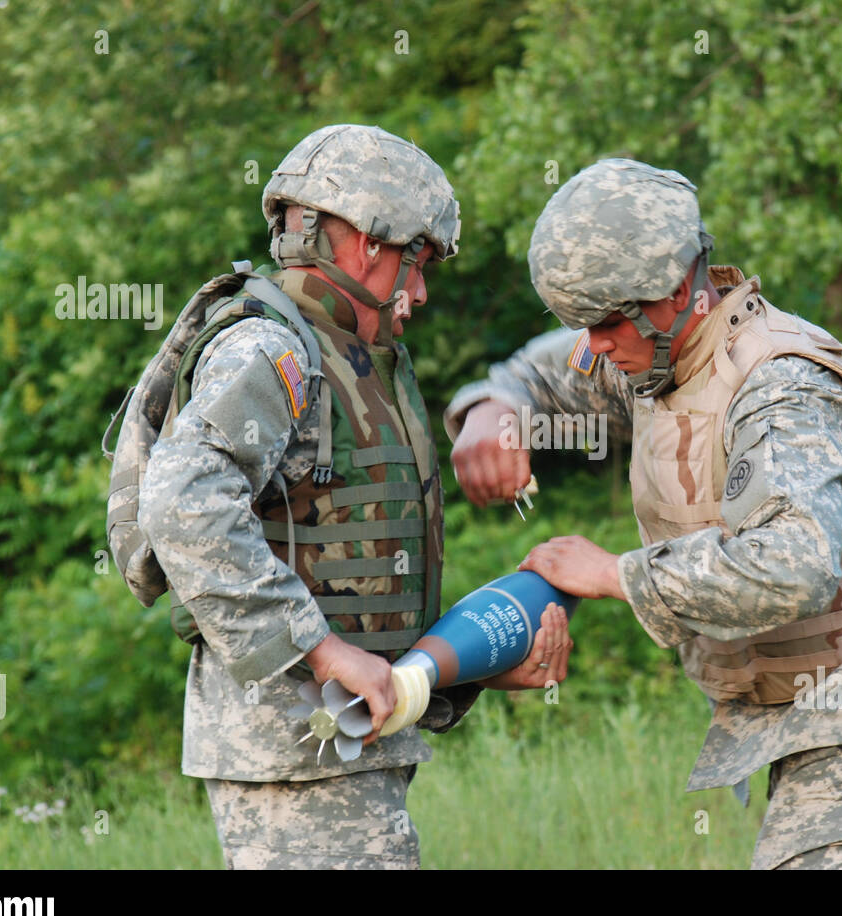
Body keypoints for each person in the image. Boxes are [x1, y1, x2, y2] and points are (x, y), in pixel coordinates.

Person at [446, 158, 842, 869]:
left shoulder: (783, 390)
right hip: (804, 707)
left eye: (603, 323)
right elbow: (544, 370)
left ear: (671, 294)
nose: (593, 345)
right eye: (581, 323)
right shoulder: (652, 354)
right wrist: (494, 407)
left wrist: (615, 574)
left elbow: (794, 568)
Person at [137, 124, 570, 869]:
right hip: (294, 754)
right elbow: (181, 504)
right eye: (418, 260)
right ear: (367, 242)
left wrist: (452, 670)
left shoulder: (342, 352)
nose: (422, 291)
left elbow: (345, 559)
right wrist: (323, 649)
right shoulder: (270, 348)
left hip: (338, 746)